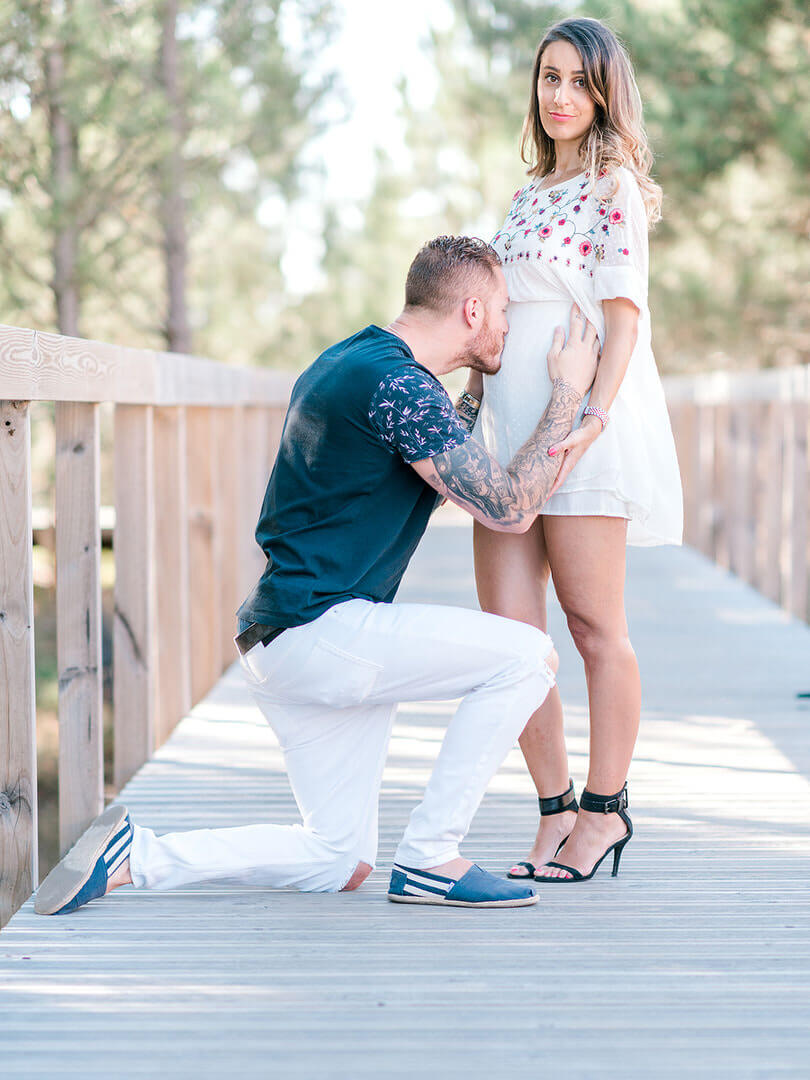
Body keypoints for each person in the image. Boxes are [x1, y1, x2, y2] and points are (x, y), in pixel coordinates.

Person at [35, 236, 600, 917]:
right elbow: (508, 507)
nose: (511, 325)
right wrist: (568, 392)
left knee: (338, 857)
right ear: (473, 312)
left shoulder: (363, 364)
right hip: (323, 630)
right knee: (527, 656)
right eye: (506, 309)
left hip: (285, 638)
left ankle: (137, 858)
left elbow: (432, 461)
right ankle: (431, 857)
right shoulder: (396, 385)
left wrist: (474, 393)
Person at [464, 18, 683, 883]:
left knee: (595, 629)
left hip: (581, 428)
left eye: (577, 81)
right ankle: (553, 809)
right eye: (548, 78)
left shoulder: (613, 188)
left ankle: (606, 811)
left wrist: (594, 415)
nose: (559, 96)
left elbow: (624, 317)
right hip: (510, 434)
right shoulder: (524, 198)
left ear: (604, 94)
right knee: (510, 639)